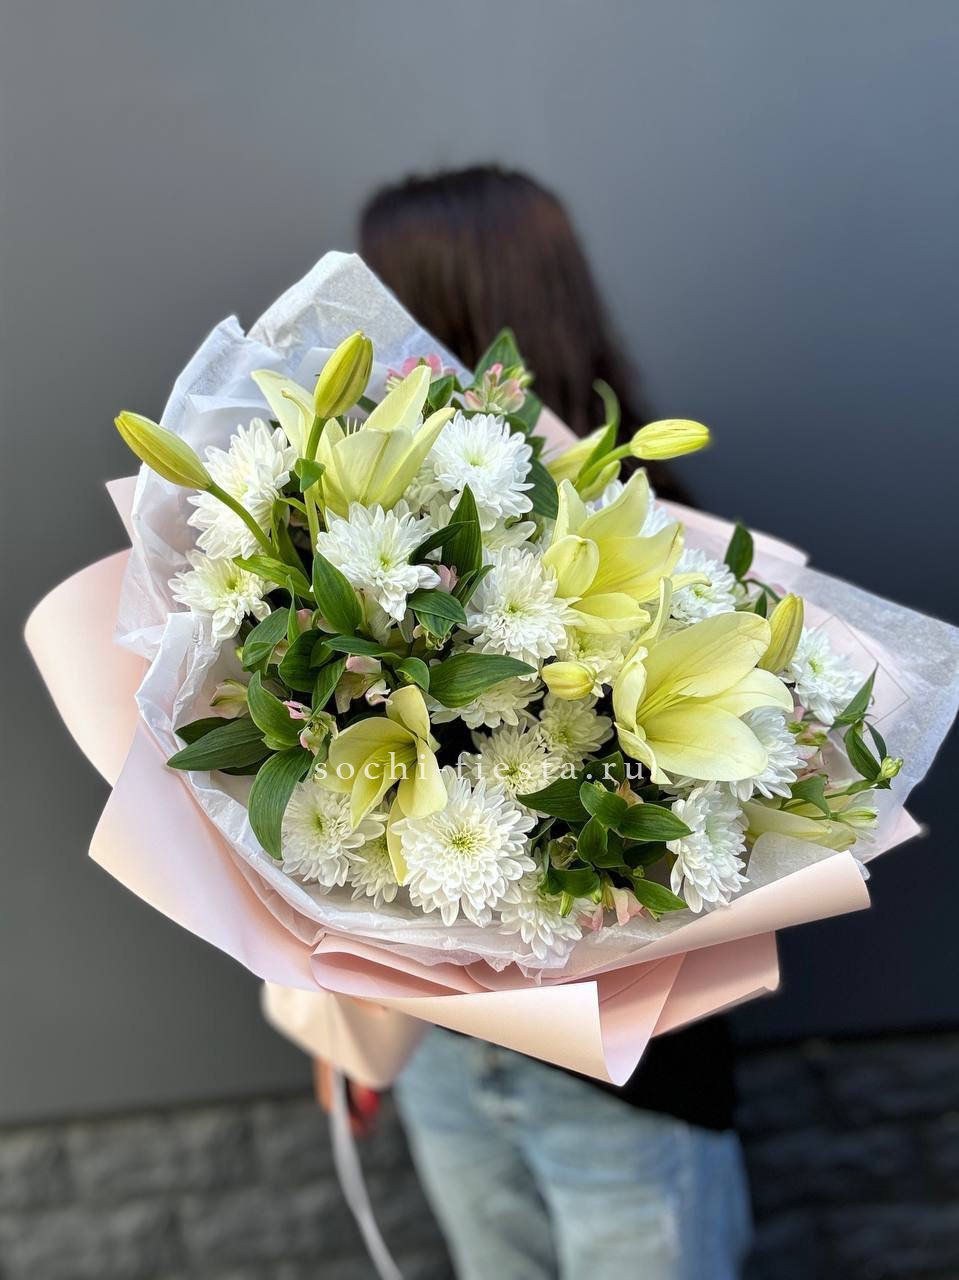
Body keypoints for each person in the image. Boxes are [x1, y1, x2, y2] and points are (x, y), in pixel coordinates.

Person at [321, 165, 753, 1280]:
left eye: (378, 292)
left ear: (436, 311)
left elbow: (738, 814)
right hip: (438, 1053)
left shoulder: (657, 534)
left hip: (619, 1065)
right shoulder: (358, 538)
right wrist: (334, 1017)